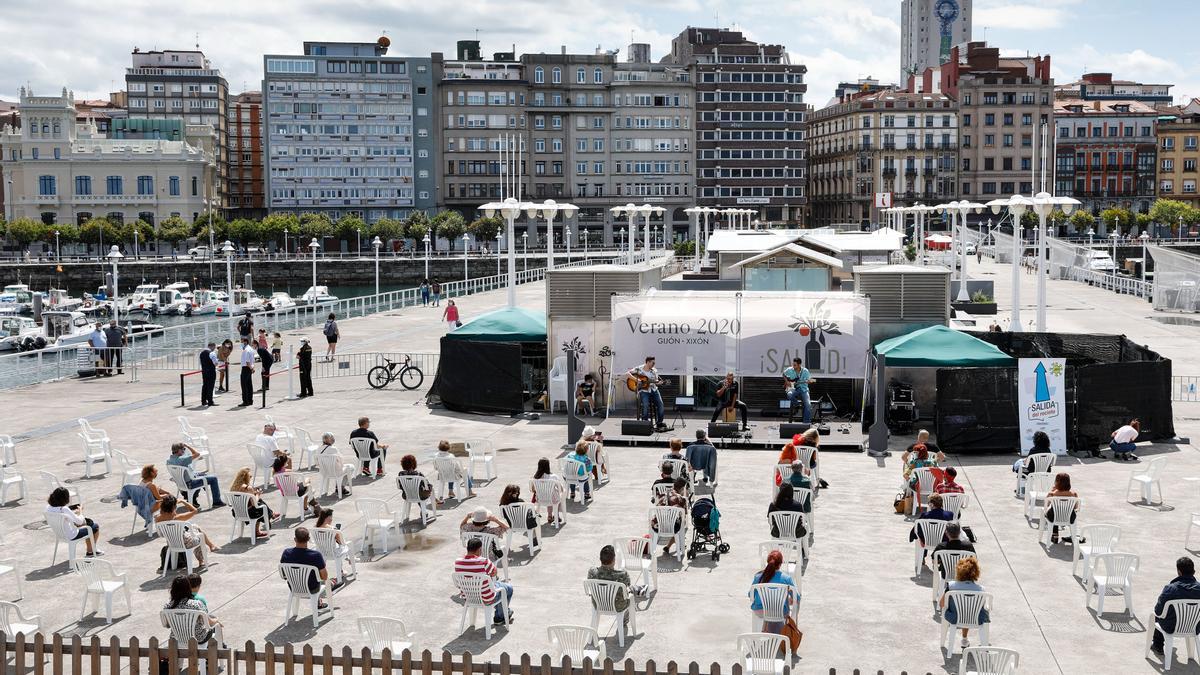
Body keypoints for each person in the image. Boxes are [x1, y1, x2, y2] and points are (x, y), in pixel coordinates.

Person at [454, 537, 512, 625]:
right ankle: (500, 616)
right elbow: (494, 573)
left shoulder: (458, 562)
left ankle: (504, 613)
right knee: (508, 588)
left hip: (469, 597)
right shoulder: (484, 561)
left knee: (498, 587)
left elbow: (458, 584)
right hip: (486, 598)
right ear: (479, 549)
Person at [1150, 557, 1200, 657]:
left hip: (1171, 627)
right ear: (1193, 571)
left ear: (1179, 572)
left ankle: (1158, 645)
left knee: (1157, 615)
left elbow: (1158, 611)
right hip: (1195, 627)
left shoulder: (1170, 588)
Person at [939, 557, 989, 649]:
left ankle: (957, 641)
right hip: (975, 618)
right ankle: (965, 638)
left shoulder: (951, 586)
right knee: (968, 609)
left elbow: (941, 604)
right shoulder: (981, 589)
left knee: (960, 609)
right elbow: (981, 606)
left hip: (954, 618)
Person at [749, 550, 798, 642]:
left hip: (760, 611)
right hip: (780, 612)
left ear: (768, 562)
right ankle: (789, 631)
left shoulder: (758, 576)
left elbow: (750, 595)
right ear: (780, 564)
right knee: (783, 603)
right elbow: (797, 598)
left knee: (766, 604)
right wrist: (790, 599)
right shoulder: (786, 578)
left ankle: (766, 628)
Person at [155, 495, 218, 567]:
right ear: (174, 507)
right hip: (185, 543)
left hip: (171, 543)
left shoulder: (157, 518)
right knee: (200, 535)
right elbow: (194, 510)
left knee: (195, 527)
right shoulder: (177, 518)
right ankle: (202, 559)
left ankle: (211, 547)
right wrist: (183, 501)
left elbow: (164, 515)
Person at [280, 527, 333, 607]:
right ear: (308, 539)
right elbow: (324, 576)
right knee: (324, 580)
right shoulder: (316, 555)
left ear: (295, 539)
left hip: (294, 587)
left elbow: (284, 576)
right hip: (312, 588)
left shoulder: (286, 553)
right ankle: (331, 586)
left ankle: (324, 594)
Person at [161, 575, 220, 643]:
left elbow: (167, 625)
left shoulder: (167, 606)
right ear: (188, 588)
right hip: (198, 638)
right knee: (215, 626)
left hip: (177, 638)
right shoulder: (196, 604)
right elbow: (209, 623)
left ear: (173, 589)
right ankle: (220, 647)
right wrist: (216, 620)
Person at [45, 486, 101, 556]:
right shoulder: (64, 509)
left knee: (86, 524)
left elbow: (63, 517)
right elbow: (80, 521)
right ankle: (90, 551)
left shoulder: (48, 507)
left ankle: (90, 550)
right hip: (71, 535)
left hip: (59, 533)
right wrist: (80, 511)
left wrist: (73, 514)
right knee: (95, 527)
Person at [167, 442, 226, 507]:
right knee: (213, 479)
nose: (184, 450)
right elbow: (197, 454)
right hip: (190, 484)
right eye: (183, 449)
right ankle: (216, 501)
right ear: (179, 450)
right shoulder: (183, 460)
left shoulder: (169, 461)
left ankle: (194, 498)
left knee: (202, 475)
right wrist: (188, 446)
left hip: (180, 484)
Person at [230, 467, 277, 538]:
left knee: (260, 503)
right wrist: (258, 494)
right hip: (249, 513)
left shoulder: (233, 488)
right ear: (245, 477)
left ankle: (271, 514)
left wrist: (253, 494)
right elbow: (254, 503)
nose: (251, 477)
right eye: (250, 476)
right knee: (259, 505)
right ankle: (270, 515)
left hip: (237, 512)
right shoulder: (248, 488)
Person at [588, 545, 634, 616]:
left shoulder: (592, 572)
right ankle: (624, 621)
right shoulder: (622, 574)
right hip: (617, 606)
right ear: (614, 560)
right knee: (629, 595)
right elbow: (628, 584)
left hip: (598, 604)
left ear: (600, 559)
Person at [313, 508, 352, 583]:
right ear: (328, 517)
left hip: (321, 551)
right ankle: (349, 559)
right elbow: (341, 542)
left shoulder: (315, 528)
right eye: (331, 517)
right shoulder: (333, 529)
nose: (332, 519)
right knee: (346, 545)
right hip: (333, 552)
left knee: (339, 547)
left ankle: (348, 559)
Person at [627, 356, 665, 430]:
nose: (654, 364)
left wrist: (659, 383)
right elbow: (627, 373)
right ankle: (645, 423)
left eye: (654, 363)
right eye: (652, 363)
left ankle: (659, 423)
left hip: (653, 389)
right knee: (645, 404)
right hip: (644, 391)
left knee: (661, 404)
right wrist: (637, 380)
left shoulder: (654, 371)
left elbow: (656, 382)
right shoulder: (639, 369)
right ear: (647, 362)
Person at [316, 433, 355, 497]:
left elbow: (317, 463)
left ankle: (338, 486)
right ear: (330, 440)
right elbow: (341, 461)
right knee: (351, 467)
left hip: (324, 472)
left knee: (343, 468)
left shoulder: (318, 449)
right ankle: (340, 486)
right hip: (336, 472)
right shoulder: (333, 449)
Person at [531, 458, 567, 527]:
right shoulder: (553, 476)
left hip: (540, 499)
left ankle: (549, 516)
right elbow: (561, 489)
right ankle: (556, 515)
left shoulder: (535, 477)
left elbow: (533, 490)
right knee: (558, 496)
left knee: (549, 495)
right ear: (548, 466)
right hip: (552, 499)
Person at [1045, 472, 1080, 544]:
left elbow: (1046, 505)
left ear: (1056, 482)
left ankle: (1055, 534)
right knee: (1059, 512)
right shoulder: (1074, 494)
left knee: (1053, 511)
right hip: (1069, 518)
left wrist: (1052, 491)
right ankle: (1072, 536)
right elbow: (1076, 508)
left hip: (1054, 518)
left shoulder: (1052, 494)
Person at [782, 357, 815, 423]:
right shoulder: (790, 369)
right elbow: (783, 374)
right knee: (789, 394)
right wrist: (787, 382)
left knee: (808, 405)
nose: (793, 366)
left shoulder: (805, 371)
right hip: (794, 389)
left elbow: (810, 380)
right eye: (793, 364)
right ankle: (796, 405)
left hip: (803, 389)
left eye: (795, 365)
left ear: (799, 365)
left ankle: (806, 423)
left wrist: (809, 381)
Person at [199, 342, 217, 406]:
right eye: (214, 347)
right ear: (212, 346)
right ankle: (210, 401)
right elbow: (215, 363)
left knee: (205, 386)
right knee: (210, 386)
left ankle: (203, 401)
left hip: (204, 371)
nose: (214, 349)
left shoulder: (201, 353)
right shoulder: (212, 353)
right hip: (211, 371)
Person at [238, 336, 255, 406]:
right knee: (249, 385)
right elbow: (252, 360)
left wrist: (251, 368)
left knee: (244, 385)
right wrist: (252, 368)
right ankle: (250, 400)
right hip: (249, 368)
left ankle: (245, 401)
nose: (241, 343)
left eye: (241, 342)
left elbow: (247, 362)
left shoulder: (246, 350)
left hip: (246, 368)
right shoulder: (251, 349)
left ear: (245, 342)